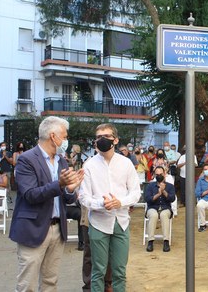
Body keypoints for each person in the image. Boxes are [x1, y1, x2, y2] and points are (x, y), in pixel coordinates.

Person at [9, 116, 84, 292]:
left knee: (50, 282)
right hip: (33, 228)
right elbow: (30, 195)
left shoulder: (62, 161)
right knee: (27, 285)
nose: (66, 140)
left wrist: (71, 189)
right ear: (53, 136)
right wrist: (60, 184)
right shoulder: (26, 160)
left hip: (58, 229)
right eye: (64, 137)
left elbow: (66, 198)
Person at [79, 123, 142, 291]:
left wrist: (120, 202)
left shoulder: (126, 164)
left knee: (119, 271)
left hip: (121, 222)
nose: (102, 140)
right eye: (98, 137)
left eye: (106, 136)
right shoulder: (89, 165)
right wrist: (102, 204)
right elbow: (84, 197)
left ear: (115, 139)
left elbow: (136, 192)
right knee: (98, 270)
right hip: (98, 223)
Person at [144, 166, 176, 252]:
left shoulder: (170, 186)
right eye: (157, 174)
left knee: (164, 215)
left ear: (164, 174)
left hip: (165, 208)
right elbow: (147, 199)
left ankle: (166, 241)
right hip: (152, 207)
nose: (159, 176)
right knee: (153, 215)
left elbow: (172, 199)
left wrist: (164, 191)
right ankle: (150, 241)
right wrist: (158, 194)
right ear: (154, 175)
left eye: (160, 174)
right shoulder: (150, 186)